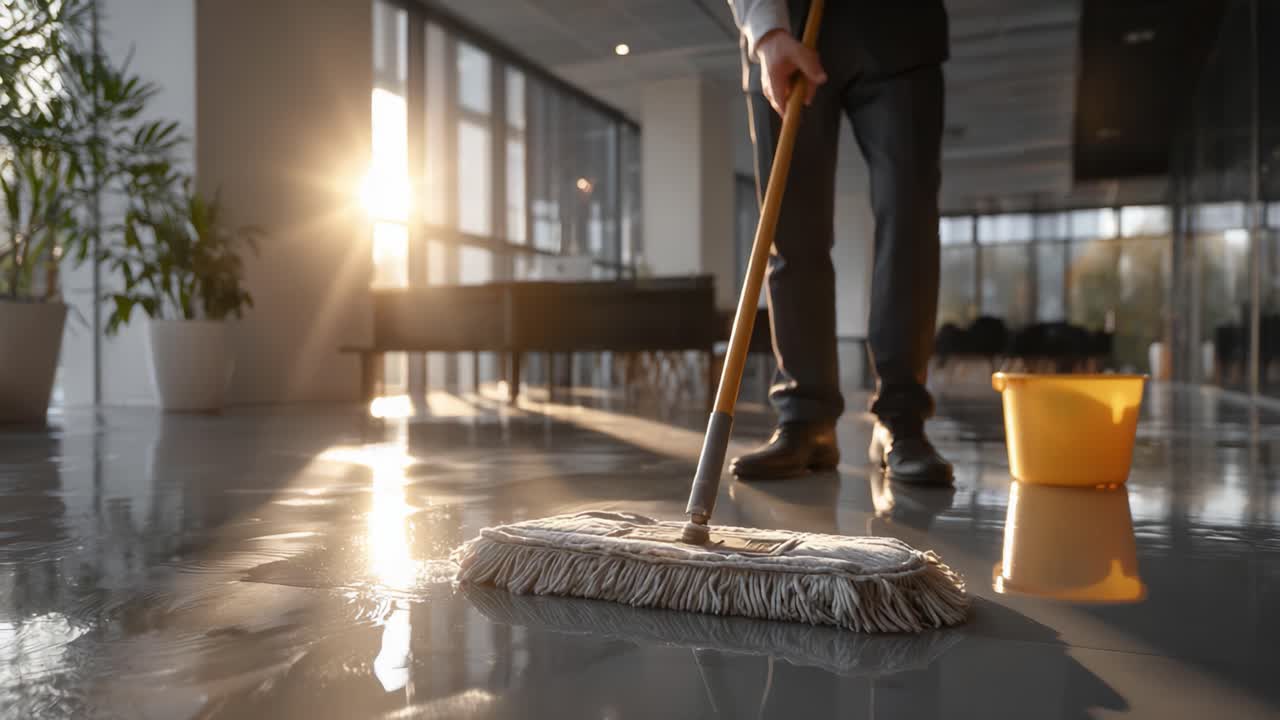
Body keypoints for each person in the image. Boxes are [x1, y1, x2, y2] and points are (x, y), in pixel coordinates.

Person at [726, 0, 954, 485]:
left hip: (900, 30)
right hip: (789, 23)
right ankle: (805, 418)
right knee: (790, 228)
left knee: (909, 218)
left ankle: (901, 420)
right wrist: (766, 33)